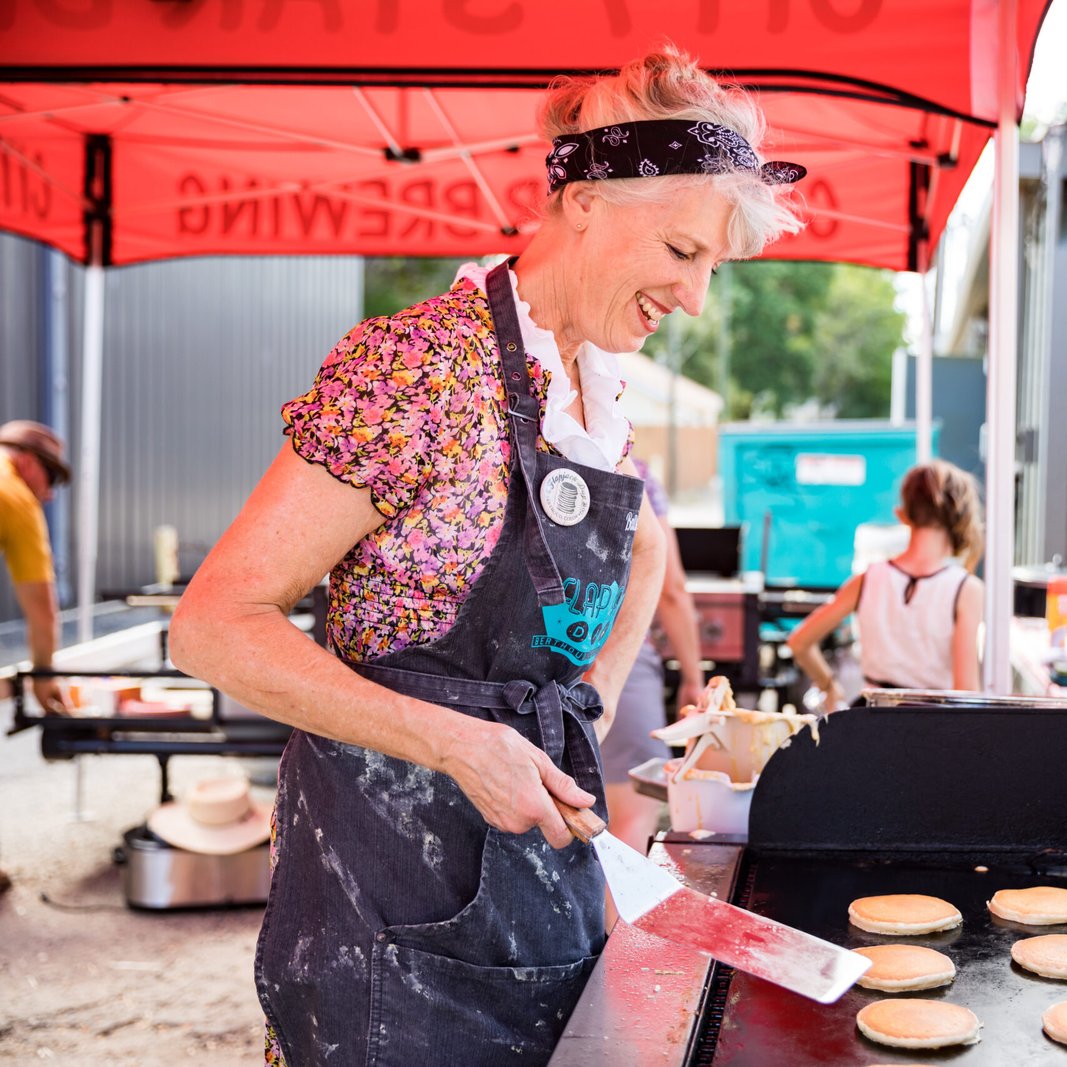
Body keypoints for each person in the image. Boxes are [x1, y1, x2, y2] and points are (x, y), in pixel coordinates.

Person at [168, 46, 803, 1067]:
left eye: (712, 269)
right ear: (585, 202)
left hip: (541, 899)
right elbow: (212, 625)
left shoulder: (595, 390)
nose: (694, 298)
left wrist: (587, 703)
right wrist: (461, 743)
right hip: (385, 920)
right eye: (682, 250)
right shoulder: (414, 370)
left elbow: (646, 546)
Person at [788, 460, 985, 708]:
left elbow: (799, 641)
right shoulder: (965, 588)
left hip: (871, 716)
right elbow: (966, 692)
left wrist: (830, 687)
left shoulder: (869, 577)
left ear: (902, 515)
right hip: (932, 720)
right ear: (960, 518)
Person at [598, 459, 703, 865]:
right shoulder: (630, 467)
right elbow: (670, 588)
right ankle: (616, 914)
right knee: (632, 816)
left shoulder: (508, 445)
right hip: (616, 654)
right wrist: (692, 678)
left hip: (524, 660)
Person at [0, 420, 70, 717]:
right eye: (50, 478)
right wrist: (43, 675)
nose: (50, 494)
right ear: (27, 462)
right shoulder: (15, 494)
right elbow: (42, 610)